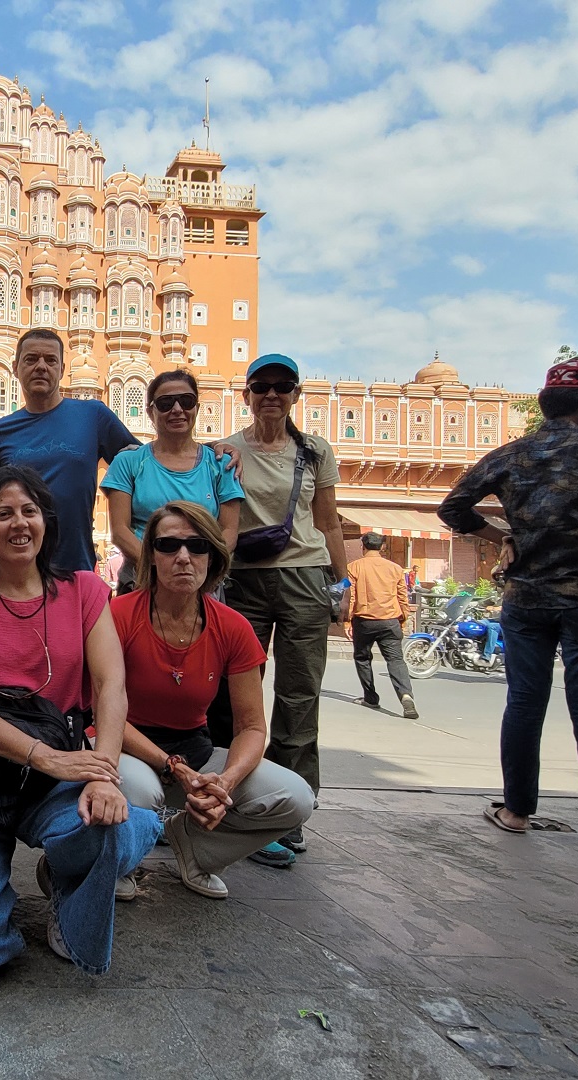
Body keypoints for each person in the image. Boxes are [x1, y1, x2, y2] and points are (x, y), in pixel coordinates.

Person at [0, 465, 160, 980]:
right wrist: (44, 755)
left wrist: (102, 773)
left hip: (56, 786)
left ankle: (65, 875)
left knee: (111, 827)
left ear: (47, 521)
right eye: (3, 513)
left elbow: (111, 686)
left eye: (29, 511)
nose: (18, 523)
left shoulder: (86, 592)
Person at [440, 355, 578, 856]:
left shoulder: (512, 453)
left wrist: (503, 536)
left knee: (524, 703)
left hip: (527, 599)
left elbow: (452, 507)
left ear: (545, 403)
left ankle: (515, 811)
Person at [114, 502, 315, 897]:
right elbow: (99, 712)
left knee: (294, 798)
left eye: (198, 546)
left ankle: (196, 851)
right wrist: (171, 765)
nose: (184, 557)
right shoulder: (118, 615)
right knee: (141, 793)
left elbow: (252, 727)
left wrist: (225, 782)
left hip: (196, 752)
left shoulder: (233, 626)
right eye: (169, 545)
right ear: (151, 556)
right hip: (127, 748)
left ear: (214, 557)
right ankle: (120, 859)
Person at [222, 353, 347, 867]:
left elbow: (329, 521)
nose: (271, 395)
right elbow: (218, 516)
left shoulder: (315, 451)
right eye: (262, 386)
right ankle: (235, 801)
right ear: (247, 394)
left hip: (303, 576)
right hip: (243, 580)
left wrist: (343, 583)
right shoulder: (225, 451)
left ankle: (290, 811)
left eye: (282, 386)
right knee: (234, 696)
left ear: (296, 394)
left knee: (299, 696)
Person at [0, 329, 138, 572]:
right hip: (16, 570)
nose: (41, 366)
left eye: (50, 360)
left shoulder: (93, 415)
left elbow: (145, 463)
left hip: (76, 566)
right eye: (31, 359)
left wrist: (210, 449)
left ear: (62, 369)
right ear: (15, 368)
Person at [101, 369, 241, 594]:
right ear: (150, 411)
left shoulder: (220, 464)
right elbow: (120, 530)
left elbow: (229, 530)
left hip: (201, 583)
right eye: (166, 403)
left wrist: (199, 569)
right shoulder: (129, 462)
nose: (177, 410)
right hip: (143, 579)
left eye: (186, 401)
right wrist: (161, 568)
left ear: (196, 407)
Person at [346, 533, 419, 718]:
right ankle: (405, 695)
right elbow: (403, 597)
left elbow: (350, 596)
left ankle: (370, 697)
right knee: (396, 660)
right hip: (390, 621)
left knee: (363, 658)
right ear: (382, 547)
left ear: (363, 546)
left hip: (364, 622)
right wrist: (403, 619)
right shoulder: (395, 569)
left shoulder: (353, 567)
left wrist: (347, 620)